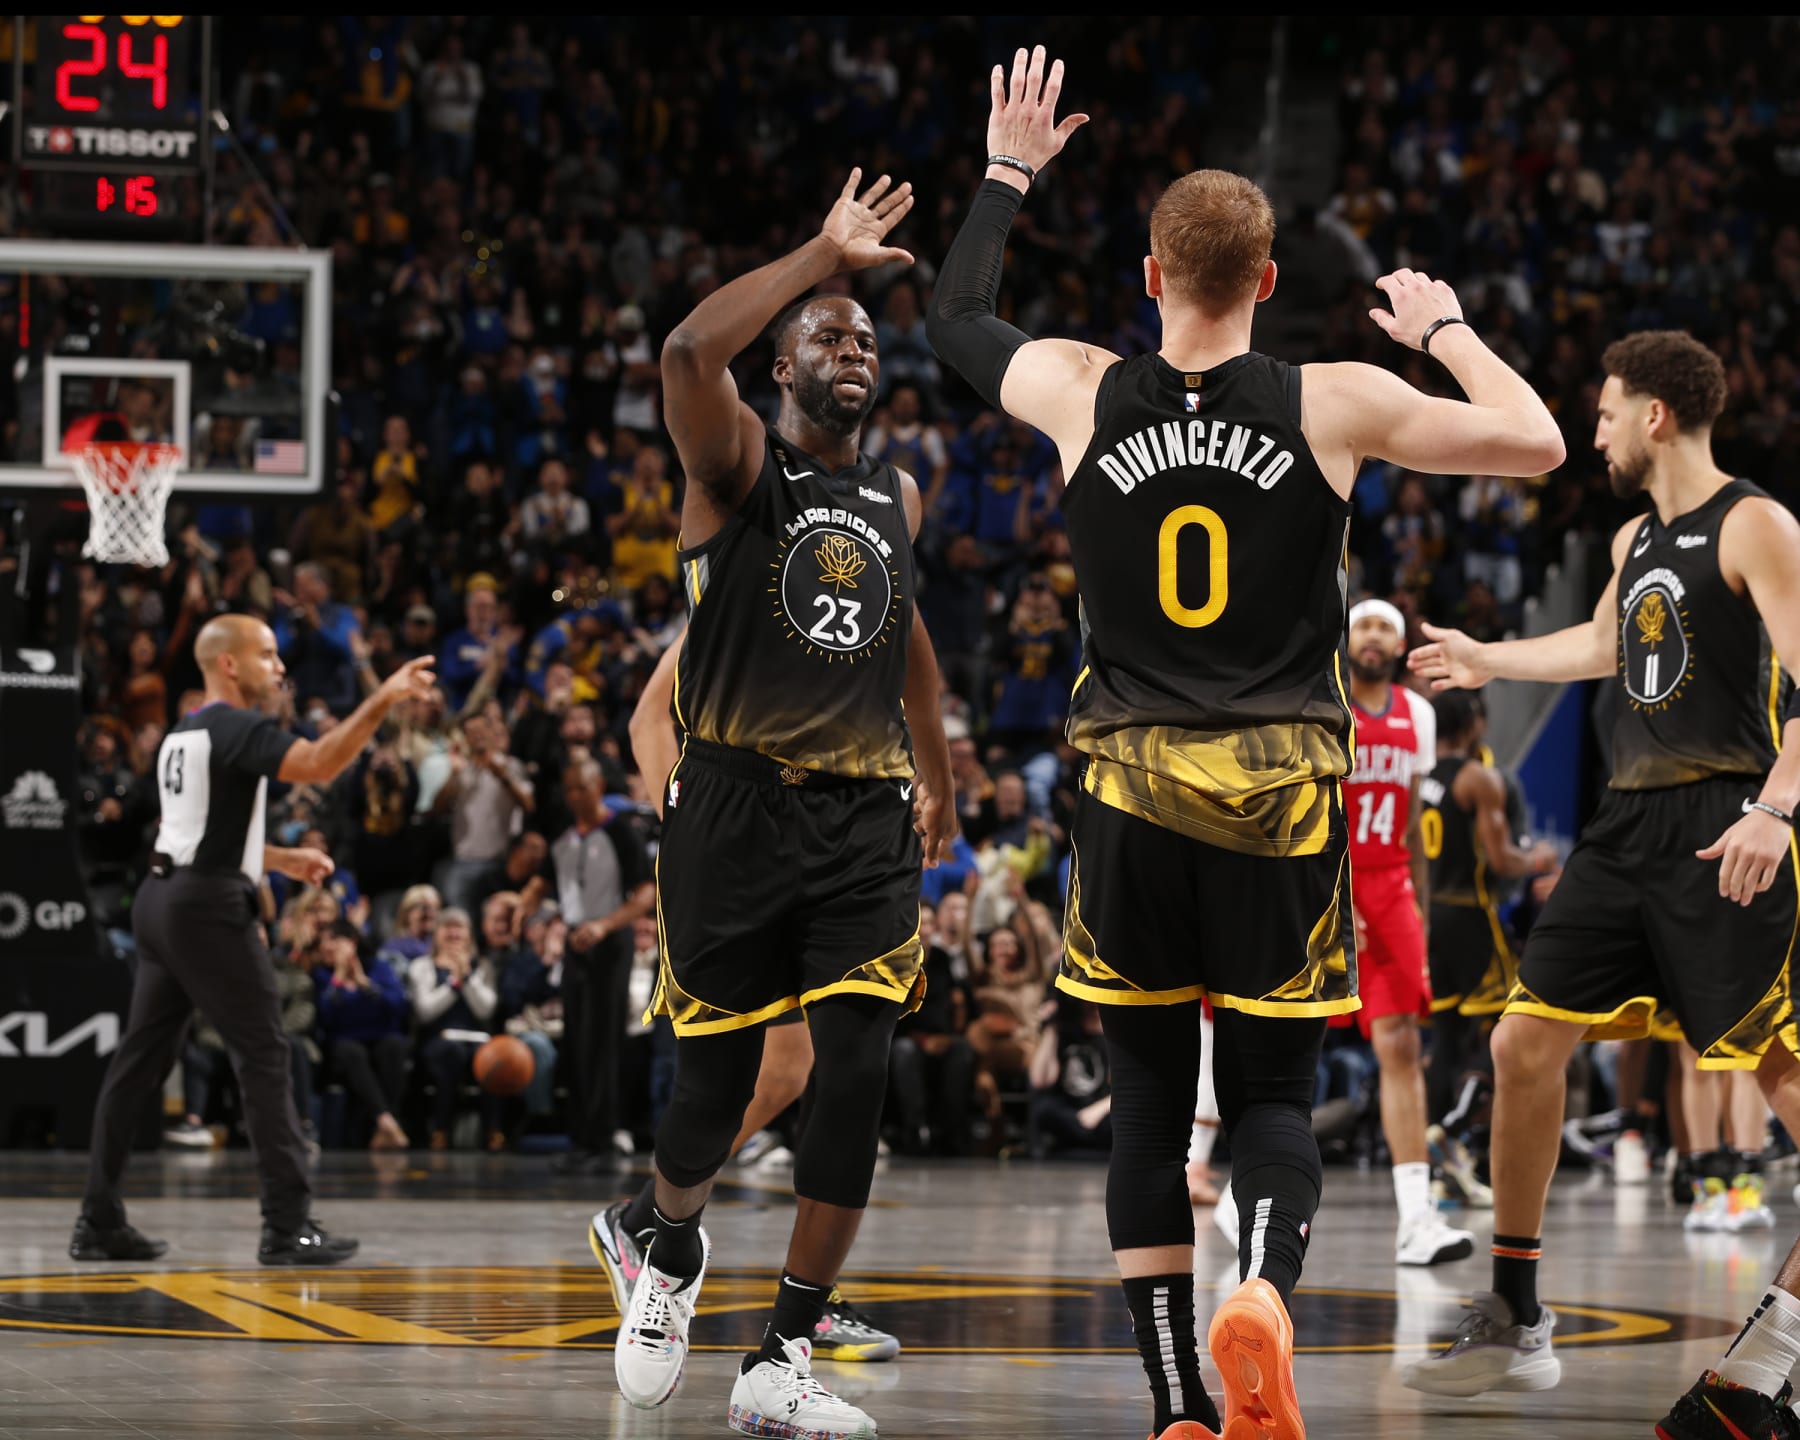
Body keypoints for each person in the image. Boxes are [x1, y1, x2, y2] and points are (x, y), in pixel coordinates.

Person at [928, 45, 1563, 1440]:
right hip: (1281, 800)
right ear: (1269, 282)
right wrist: (1445, 328)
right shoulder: (1332, 399)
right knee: (1274, 1092)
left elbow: (953, 313)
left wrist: (1008, 173)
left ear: (1152, 276)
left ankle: (1176, 1405)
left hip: (1128, 798)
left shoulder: (1081, 388)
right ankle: (1263, 1294)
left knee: (1152, 1104)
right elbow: (1538, 444)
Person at [606, 165, 955, 1440]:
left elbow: (907, 639)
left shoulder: (897, 496)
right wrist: (821, 256)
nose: (852, 348)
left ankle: (782, 1352)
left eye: (864, 338)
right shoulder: (736, 464)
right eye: (828, 336)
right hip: (733, 811)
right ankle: (667, 1250)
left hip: (861, 821)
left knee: (853, 1073)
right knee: (711, 1090)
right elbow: (685, 349)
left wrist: (940, 769)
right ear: (782, 365)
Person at [1404, 329, 1800, 1398]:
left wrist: (1776, 807)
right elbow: (1599, 645)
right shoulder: (1635, 539)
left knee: (1780, 1076)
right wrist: (1487, 659)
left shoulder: (1755, 524)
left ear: (1655, 416)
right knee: (1523, 1042)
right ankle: (1516, 1312)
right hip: (1625, 826)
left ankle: (1779, 1352)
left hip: (1727, 820)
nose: (1596, 433)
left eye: (1607, 412)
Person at [72, 614, 434, 1266]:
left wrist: (281, 859)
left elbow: (194, 829)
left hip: (160, 899)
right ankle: (287, 1226)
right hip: (206, 906)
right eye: (267, 654)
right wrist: (382, 698)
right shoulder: (238, 727)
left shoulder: (184, 732)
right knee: (266, 1052)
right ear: (229, 664)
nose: (280, 666)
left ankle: (98, 1219)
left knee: (139, 1063)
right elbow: (320, 764)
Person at [590, 643, 905, 1365]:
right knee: (756, 1077)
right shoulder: (740, 594)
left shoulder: (858, 602)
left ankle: (788, 1287)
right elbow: (648, 719)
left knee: (809, 1072)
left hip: (833, 848)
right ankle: (658, 1228)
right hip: (739, 852)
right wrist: (690, 827)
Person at [1340, 597, 1474, 1266]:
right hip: (1328, 880)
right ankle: (1240, 1197)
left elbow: (1416, 829)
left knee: (1400, 1044)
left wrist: (1416, 905)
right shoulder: (1324, 702)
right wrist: (1335, 896)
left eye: (1384, 628)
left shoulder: (1417, 713)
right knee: (1287, 1044)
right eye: (1363, 625)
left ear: (1398, 646)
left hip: (1391, 883)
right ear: (1347, 639)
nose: (1373, 637)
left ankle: (1416, 1219)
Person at [1419, 689, 1555, 1200]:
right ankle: (1452, 1129)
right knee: (1509, 1029)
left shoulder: (1418, 776)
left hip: (1428, 918)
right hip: (1471, 916)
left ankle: (1440, 1167)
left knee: (1446, 1040)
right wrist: (1537, 858)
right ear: (1474, 722)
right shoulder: (1478, 778)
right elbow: (1501, 860)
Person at [408, 907, 503, 1152]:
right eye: (447, 927)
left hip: (477, 1039)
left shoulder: (483, 967)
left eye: (459, 928)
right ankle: (441, 1129)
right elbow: (425, 1011)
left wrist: (468, 978)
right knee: (452, 1053)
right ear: (436, 934)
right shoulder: (422, 966)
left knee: (492, 1058)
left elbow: (485, 1010)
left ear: (469, 934)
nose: (453, 934)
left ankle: (494, 1130)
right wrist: (454, 983)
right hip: (438, 1039)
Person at [314, 918, 412, 1151]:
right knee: (351, 1052)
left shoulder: (378, 967)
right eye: (323, 942)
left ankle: (383, 1128)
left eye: (333, 940)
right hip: (341, 1044)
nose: (326, 947)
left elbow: (398, 1007)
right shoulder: (321, 975)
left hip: (380, 1037)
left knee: (394, 1046)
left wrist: (364, 984)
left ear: (353, 942)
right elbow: (324, 1018)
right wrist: (338, 980)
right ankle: (388, 1122)